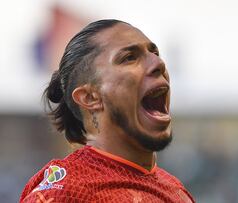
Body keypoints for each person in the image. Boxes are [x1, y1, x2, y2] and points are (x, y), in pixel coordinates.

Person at [20, 19, 195, 203]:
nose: (158, 62)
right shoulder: (67, 191)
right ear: (90, 97)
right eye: (129, 57)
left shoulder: (174, 187)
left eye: (154, 52)